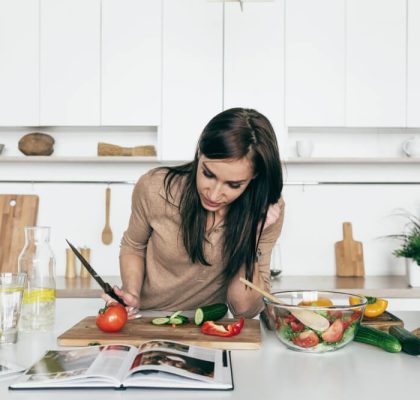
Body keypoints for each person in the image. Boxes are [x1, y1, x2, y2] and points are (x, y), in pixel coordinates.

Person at [107, 108, 285, 318]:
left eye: (234, 184)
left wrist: (252, 236)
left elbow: (243, 309)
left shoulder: (266, 211)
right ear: (200, 152)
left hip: (210, 323)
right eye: (208, 174)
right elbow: (133, 245)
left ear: (254, 176)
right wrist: (131, 293)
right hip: (147, 316)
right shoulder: (155, 188)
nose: (215, 193)